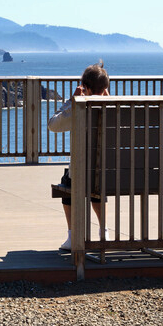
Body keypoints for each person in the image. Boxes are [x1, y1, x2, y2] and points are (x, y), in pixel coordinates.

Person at [48, 61, 110, 250]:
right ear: (105, 88)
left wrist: (72, 102)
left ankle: (73, 235)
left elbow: (53, 125)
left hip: (81, 173)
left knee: (67, 181)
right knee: (98, 181)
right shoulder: (115, 109)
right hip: (111, 173)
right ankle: (103, 232)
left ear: (86, 88)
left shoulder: (80, 108)